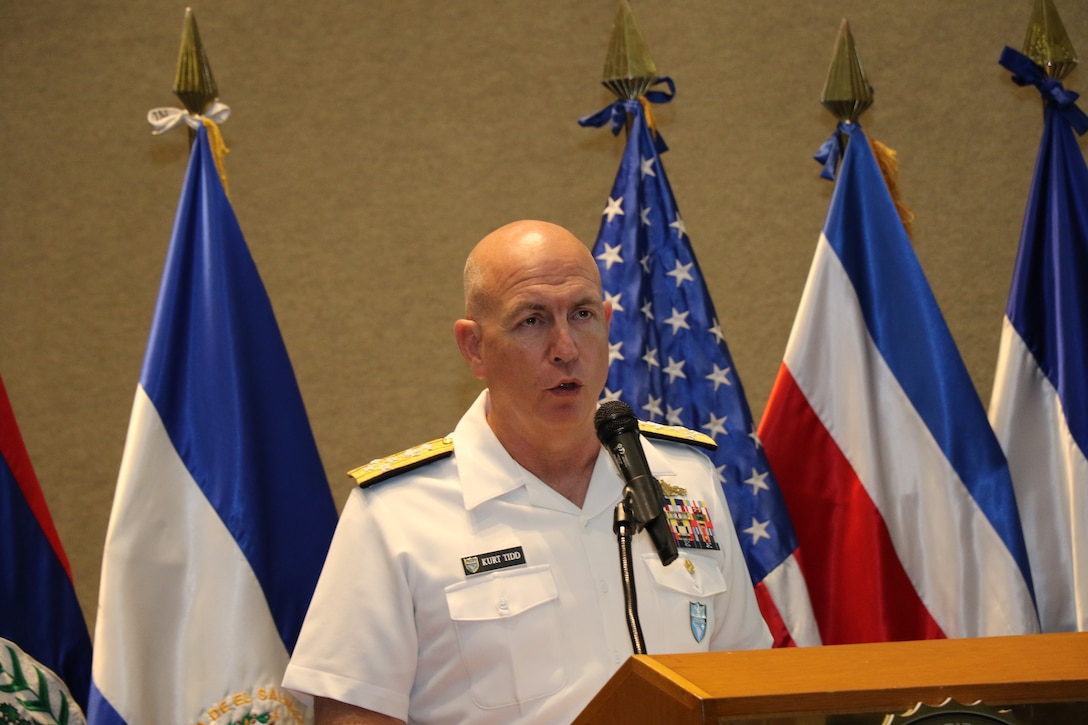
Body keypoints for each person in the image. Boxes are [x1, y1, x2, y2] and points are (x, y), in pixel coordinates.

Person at [282, 220, 772, 724]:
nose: (565, 348)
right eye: (531, 321)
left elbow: (744, 679)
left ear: (607, 321)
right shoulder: (397, 514)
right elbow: (353, 712)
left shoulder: (684, 476)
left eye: (582, 315)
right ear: (474, 347)